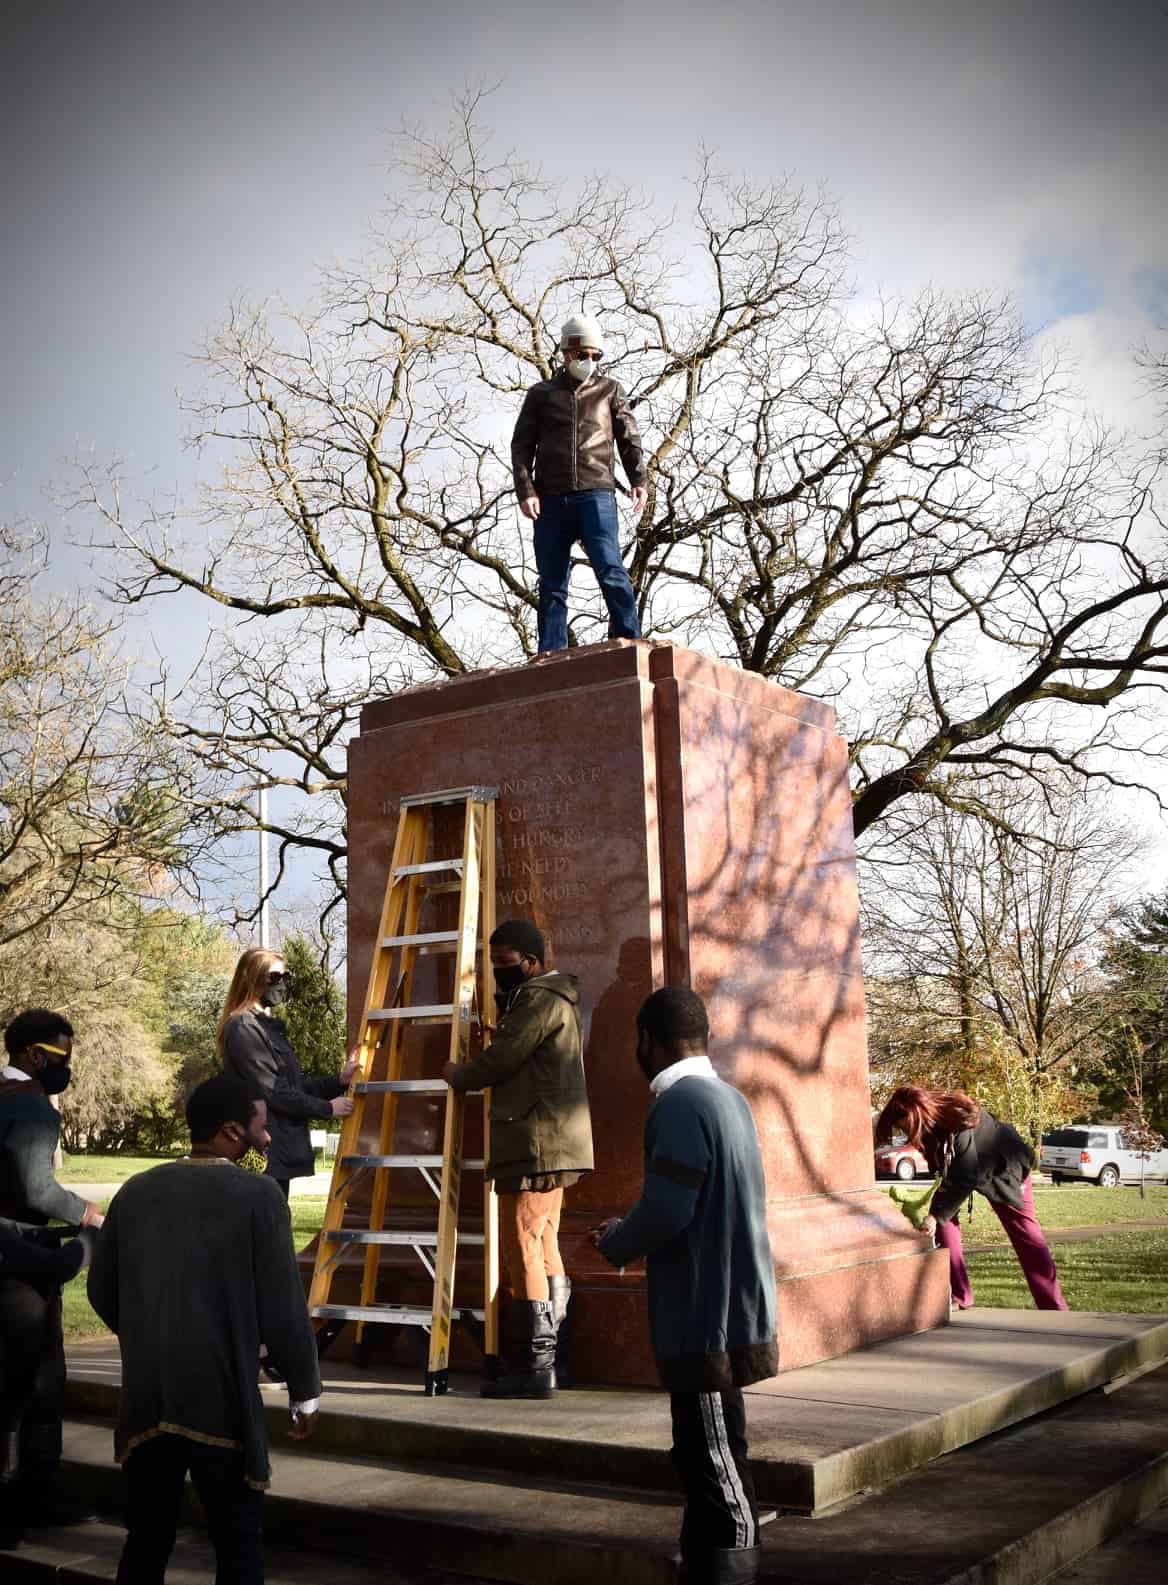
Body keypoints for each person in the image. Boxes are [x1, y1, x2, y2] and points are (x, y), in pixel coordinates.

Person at [87, 1074, 322, 1585]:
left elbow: (100, 1290)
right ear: (232, 1132)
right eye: (261, 1127)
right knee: (237, 1543)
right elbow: (283, 1304)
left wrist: (148, 1336)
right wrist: (305, 1390)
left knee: (147, 1538)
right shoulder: (259, 1197)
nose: (267, 1137)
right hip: (222, 1401)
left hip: (147, 1398)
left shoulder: (136, 1191)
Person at [591, 987, 777, 1585]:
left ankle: (731, 1563)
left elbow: (670, 1208)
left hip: (703, 1312)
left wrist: (617, 1239)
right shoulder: (729, 1099)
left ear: (648, 1040)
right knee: (706, 1447)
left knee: (713, 1455)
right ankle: (707, 1558)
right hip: (728, 1302)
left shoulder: (678, 1106)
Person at [442, 918, 593, 1398]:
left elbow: (503, 1060)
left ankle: (535, 1369)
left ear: (531, 961)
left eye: (505, 964)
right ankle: (555, 1361)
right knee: (544, 1245)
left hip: (534, 1142)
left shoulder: (537, 998)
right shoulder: (550, 998)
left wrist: (457, 1074)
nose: (498, 973)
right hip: (551, 1141)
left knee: (523, 1247)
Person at [0, 1009, 104, 1542]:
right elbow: (37, 1191)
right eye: (63, 1055)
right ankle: (31, 1496)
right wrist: (89, 1216)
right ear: (35, 1056)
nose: (69, 1066)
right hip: (22, 1266)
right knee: (36, 1384)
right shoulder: (35, 1110)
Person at [510, 311, 649, 653]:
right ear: (566, 353)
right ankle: (551, 654)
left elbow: (628, 437)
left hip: (596, 495)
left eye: (595, 356)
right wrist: (526, 491)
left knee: (611, 569)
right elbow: (521, 446)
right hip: (551, 499)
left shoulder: (610, 390)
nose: (589, 361)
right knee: (552, 583)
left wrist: (639, 479)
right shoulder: (541, 395)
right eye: (583, 354)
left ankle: (628, 640)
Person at [874, 1084, 1068, 1312]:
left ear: (917, 1115)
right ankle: (960, 1295)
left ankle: (1054, 1307)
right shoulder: (927, 1127)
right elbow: (954, 1173)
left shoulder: (959, 1119)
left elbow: (966, 1177)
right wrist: (937, 1217)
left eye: (904, 1126)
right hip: (963, 1173)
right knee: (943, 1225)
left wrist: (936, 1216)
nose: (905, 1132)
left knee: (1026, 1236)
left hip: (1005, 1168)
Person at [219, 947, 357, 1198]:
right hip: (260, 1154)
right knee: (263, 1230)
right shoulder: (243, 1026)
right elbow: (273, 1092)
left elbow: (293, 1087)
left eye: (286, 977)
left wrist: (338, 1081)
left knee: (274, 1226)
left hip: (276, 1156)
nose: (282, 984)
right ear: (253, 978)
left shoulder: (267, 1027)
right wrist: (327, 1109)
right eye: (274, 977)